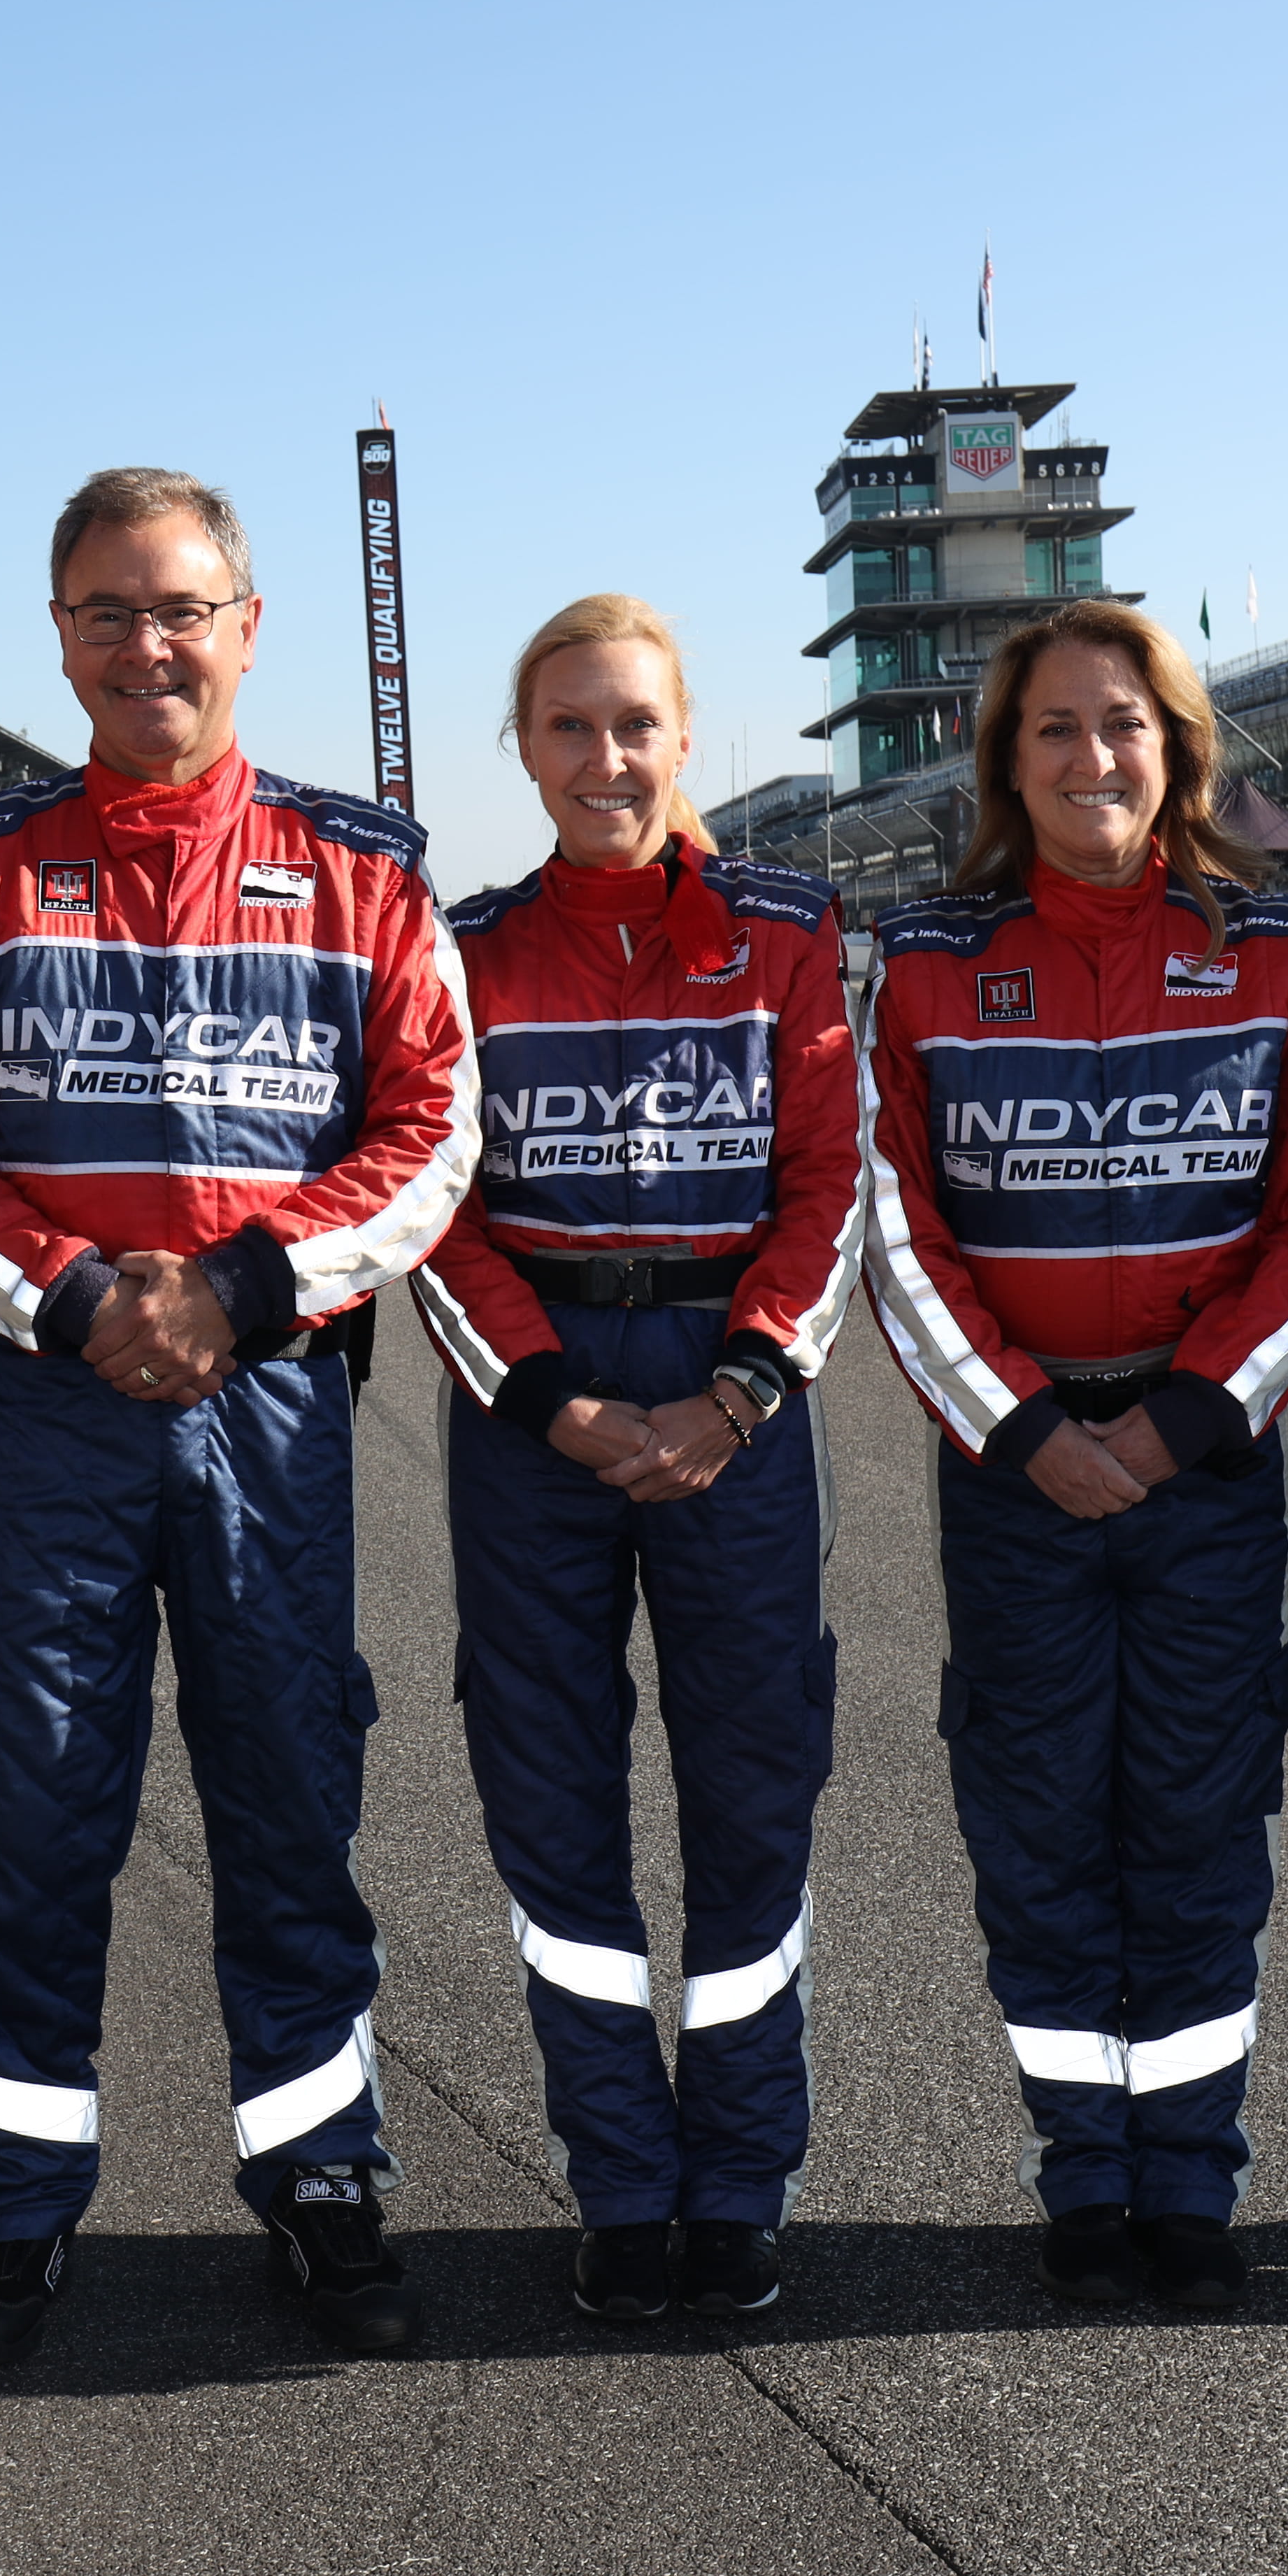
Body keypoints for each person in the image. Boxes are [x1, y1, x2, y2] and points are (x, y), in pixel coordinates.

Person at [0, 466, 478, 2368]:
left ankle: (320, 2179)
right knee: (30, 1807)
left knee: (292, 1791)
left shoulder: (363, 867)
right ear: (59, 636)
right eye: (109, 611)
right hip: (58, 1402)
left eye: (183, 606)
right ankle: (15, 2202)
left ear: (247, 625)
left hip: (270, 1400)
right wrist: (70, 1296)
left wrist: (247, 1286)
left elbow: (433, 1123)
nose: (150, 644)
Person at [861, 600, 1288, 2315]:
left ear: (1180, 748)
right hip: (1014, 1467)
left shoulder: (1281, 953)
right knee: (1036, 1818)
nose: (1094, 756)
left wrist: (1179, 1420)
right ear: (1010, 761)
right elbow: (896, 1222)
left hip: (1204, 1463)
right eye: (1056, 728)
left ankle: (1193, 2181)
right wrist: (1019, 1422)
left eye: (1125, 723)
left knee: (1202, 1812)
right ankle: (1084, 2171)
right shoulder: (930, 963)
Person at [410, 597, 860, 2324]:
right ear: (524, 750)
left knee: (752, 1794)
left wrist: (737, 1392)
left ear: (686, 740)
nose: (607, 760)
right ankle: (617, 2171)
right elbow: (432, 1203)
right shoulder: (462, 950)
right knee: (552, 1797)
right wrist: (555, 1403)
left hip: (731, 1389)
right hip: (542, 1405)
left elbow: (832, 1179)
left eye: (636, 727)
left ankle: (739, 2177)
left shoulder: (789, 929)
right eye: (570, 729)